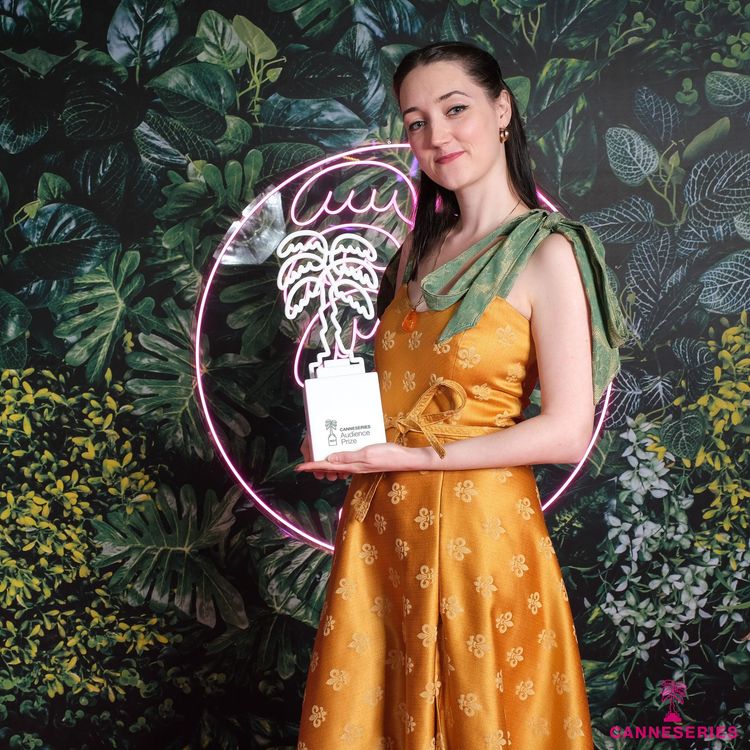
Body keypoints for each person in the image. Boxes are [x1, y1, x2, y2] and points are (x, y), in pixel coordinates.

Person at [294, 40, 628, 750]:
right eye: (416, 122)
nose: (436, 136)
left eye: (455, 109)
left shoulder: (548, 253)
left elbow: (568, 430)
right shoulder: (416, 253)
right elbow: (402, 394)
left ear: (501, 110)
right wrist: (340, 439)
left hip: (481, 540)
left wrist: (415, 459)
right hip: (382, 535)